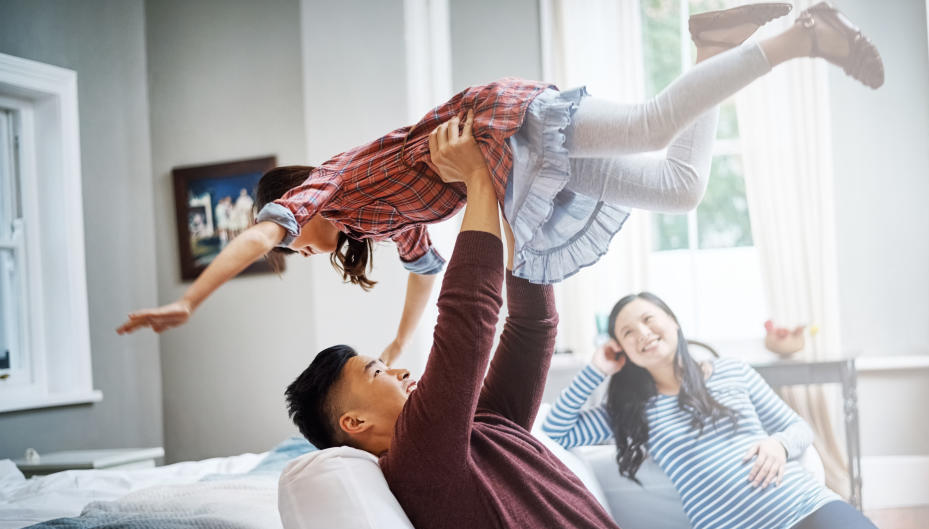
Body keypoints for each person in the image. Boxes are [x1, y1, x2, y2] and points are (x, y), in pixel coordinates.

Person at [283, 106, 906, 529]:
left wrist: (509, 201)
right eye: (375, 370)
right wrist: (474, 181)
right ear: (355, 421)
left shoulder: (478, 430)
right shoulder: (418, 458)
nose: (396, 368)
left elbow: (530, 331)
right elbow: (467, 321)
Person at [117, 2, 883, 365]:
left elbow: (257, 234)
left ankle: (795, 36)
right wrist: (393, 342)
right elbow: (425, 275)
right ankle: (717, 38)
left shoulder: (330, 183)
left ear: (294, 197)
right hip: (510, 165)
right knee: (680, 186)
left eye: (296, 237)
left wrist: (190, 299)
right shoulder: (376, 221)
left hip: (503, 127)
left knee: (651, 126)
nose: (301, 247)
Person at [542, 291, 929, 529]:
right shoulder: (632, 411)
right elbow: (556, 430)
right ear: (621, 350)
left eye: (649, 320)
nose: (643, 335)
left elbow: (797, 427)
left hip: (803, 501)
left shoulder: (731, 372)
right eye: (627, 334)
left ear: (673, 320)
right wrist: (597, 367)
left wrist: (778, 445)